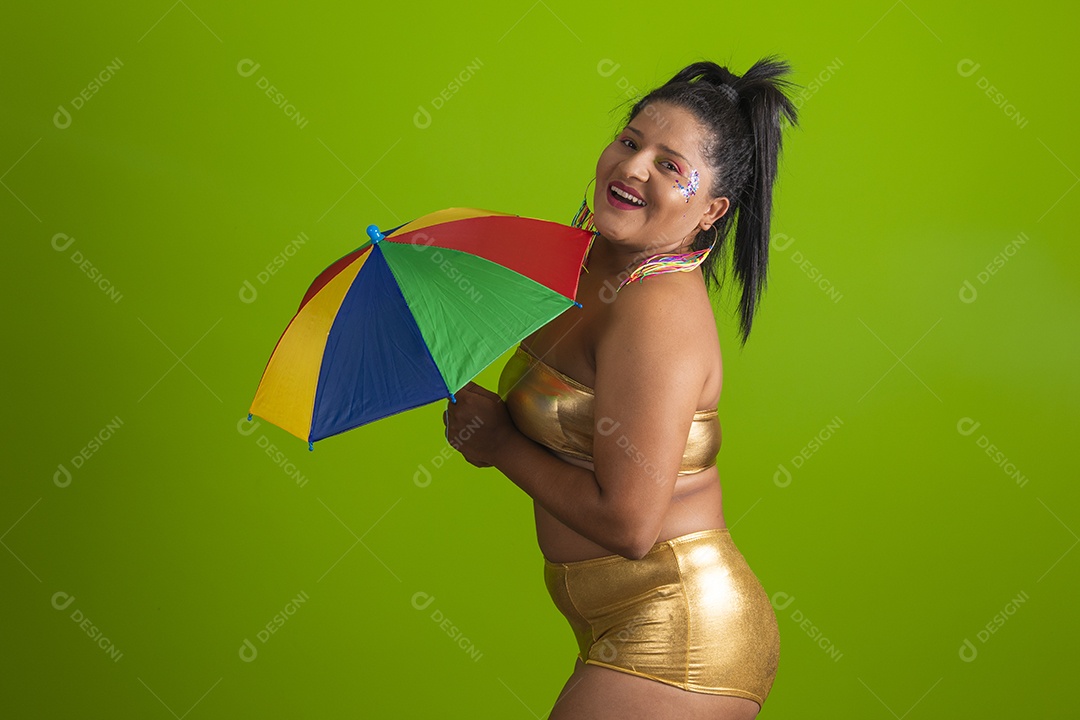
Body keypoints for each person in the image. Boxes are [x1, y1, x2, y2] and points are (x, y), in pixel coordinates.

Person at [443, 57, 800, 720]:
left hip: (679, 632)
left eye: (670, 165)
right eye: (630, 141)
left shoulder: (658, 311)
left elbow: (630, 525)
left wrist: (499, 445)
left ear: (711, 210)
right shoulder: (581, 262)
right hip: (610, 622)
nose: (634, 168)